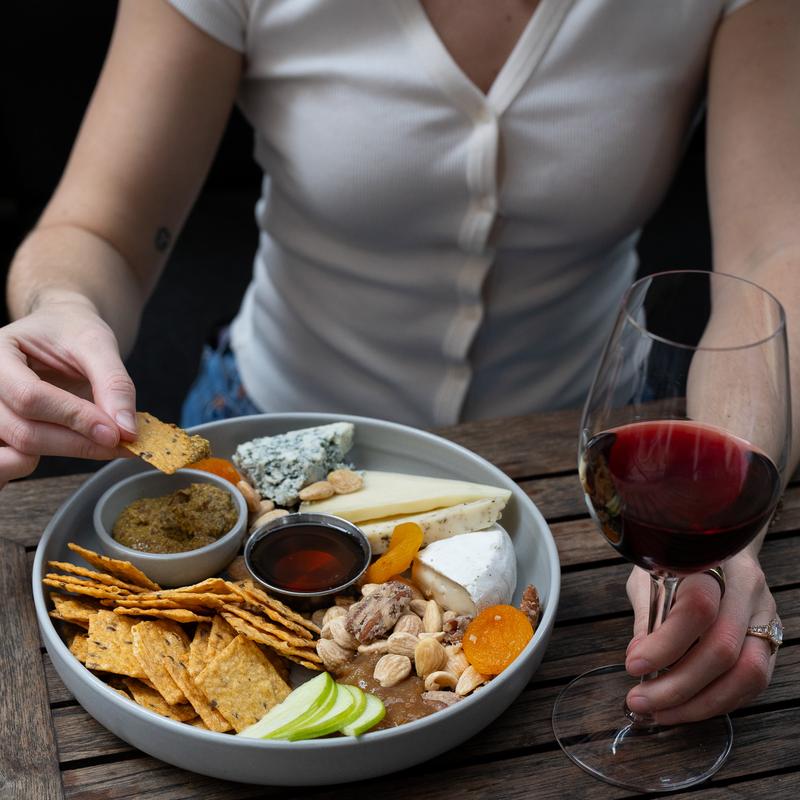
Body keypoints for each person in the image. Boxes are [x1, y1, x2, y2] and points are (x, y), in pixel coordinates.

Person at [3, 0, 797, 728]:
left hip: (578, 479)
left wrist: (726, 533)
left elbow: (772, 265)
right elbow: (100, 230)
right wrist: (59, 308)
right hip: (257, 434)